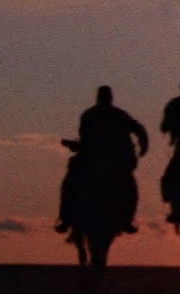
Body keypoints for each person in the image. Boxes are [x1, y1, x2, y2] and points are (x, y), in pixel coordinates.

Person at [57, 85, 148, 234]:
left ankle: (66, 218)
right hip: (110, 161)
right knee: (130, 186)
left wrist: (143, 143)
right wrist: (143, 145)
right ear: (110, 98)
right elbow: (138, 129)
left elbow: (85, 140)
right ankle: (128, 219)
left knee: (70, 181)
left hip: (97, 160)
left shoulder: (90, 114)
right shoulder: (117, 114)